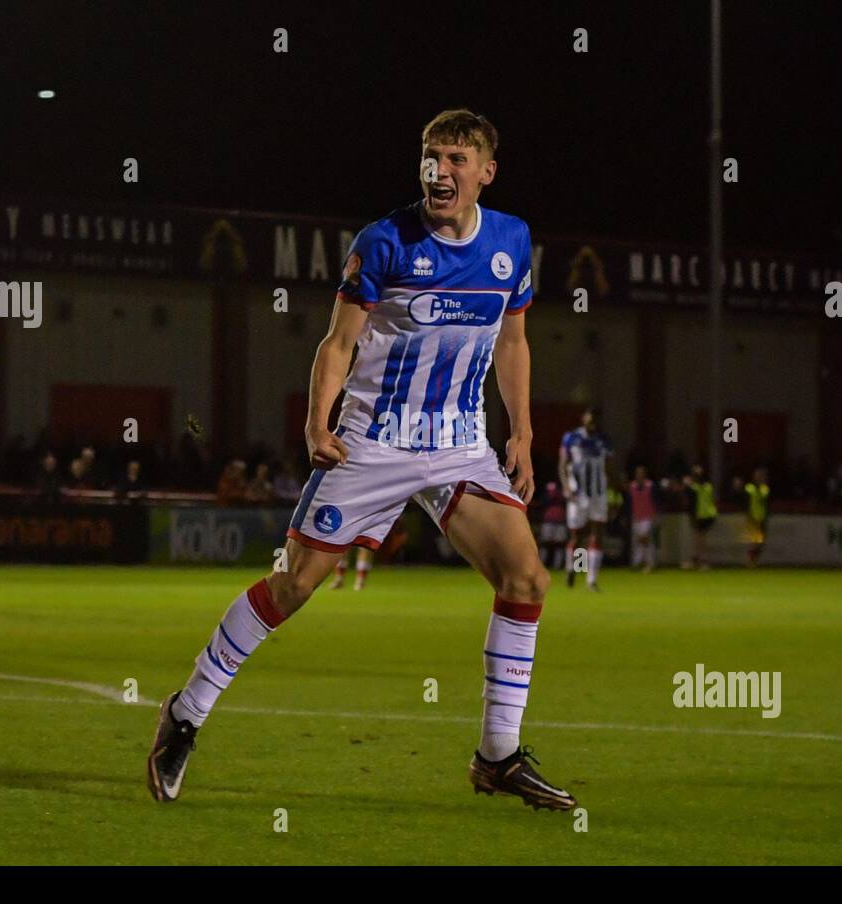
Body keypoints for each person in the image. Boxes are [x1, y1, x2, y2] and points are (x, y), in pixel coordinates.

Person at [147, 108, 574, 811]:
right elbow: (338, 343)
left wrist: (522, 431)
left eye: (457, 159)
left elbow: (514, 342)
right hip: (375, 441)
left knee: (526, 578)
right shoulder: (384, 241)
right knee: (293, 585)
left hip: (459, 445)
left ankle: (496, 755)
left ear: (485, 172)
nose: (441, 170)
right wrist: (318, 420)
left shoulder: (511, 241)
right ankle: (185, 715)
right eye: (432, 157)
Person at [559, 408, 612, 591]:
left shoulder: (604, 440)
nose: (592, 423)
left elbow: (609, 467)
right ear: (583, 420)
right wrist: (566, 487)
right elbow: (563, 465)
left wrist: (611, 493)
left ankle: (591, 580)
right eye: (589, 419)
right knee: (577, 535)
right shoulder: (571, 438)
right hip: (578, 492)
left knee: (597, 532)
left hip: (598, 493)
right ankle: (574, 568)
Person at [682, 464, 717, 569]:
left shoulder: (697, 487)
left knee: (700, 539)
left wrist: (687, 484)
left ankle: (703, 562)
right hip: (706, 515)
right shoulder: (707, 486)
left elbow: (690, 496)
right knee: (699, 539)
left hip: (703, 515)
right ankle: (698, 560)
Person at [627, 466, 657, 571]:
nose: (639, 475)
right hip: (636, 516)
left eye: (641, 473)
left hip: (647, 516)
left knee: (645, 538)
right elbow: (629, 502)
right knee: (638, 540)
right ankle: (638, 562)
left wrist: (656, 514)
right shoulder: (632, 486)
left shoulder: (650, 485)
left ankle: (649, 562)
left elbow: (655, 500)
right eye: (638, 473)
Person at [743, 467, 771, 567]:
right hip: (752, 517)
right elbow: (745, 502)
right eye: (757, 476)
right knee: (753, 540)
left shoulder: (765, 489)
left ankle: (754, 560)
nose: (759, 478)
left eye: (761, 476)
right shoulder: (749, 488)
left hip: (762, 518)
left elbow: (767, 504)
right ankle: (751, 561)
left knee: (761, 542)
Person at [537, 480, 567, 570]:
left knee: (559, 544)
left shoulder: (562, 495)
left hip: (560, 521)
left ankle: (557, 565)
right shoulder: (545, 496)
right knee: (545, 544)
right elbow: (542, 503)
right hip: (548, 521)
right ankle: (541, 565)